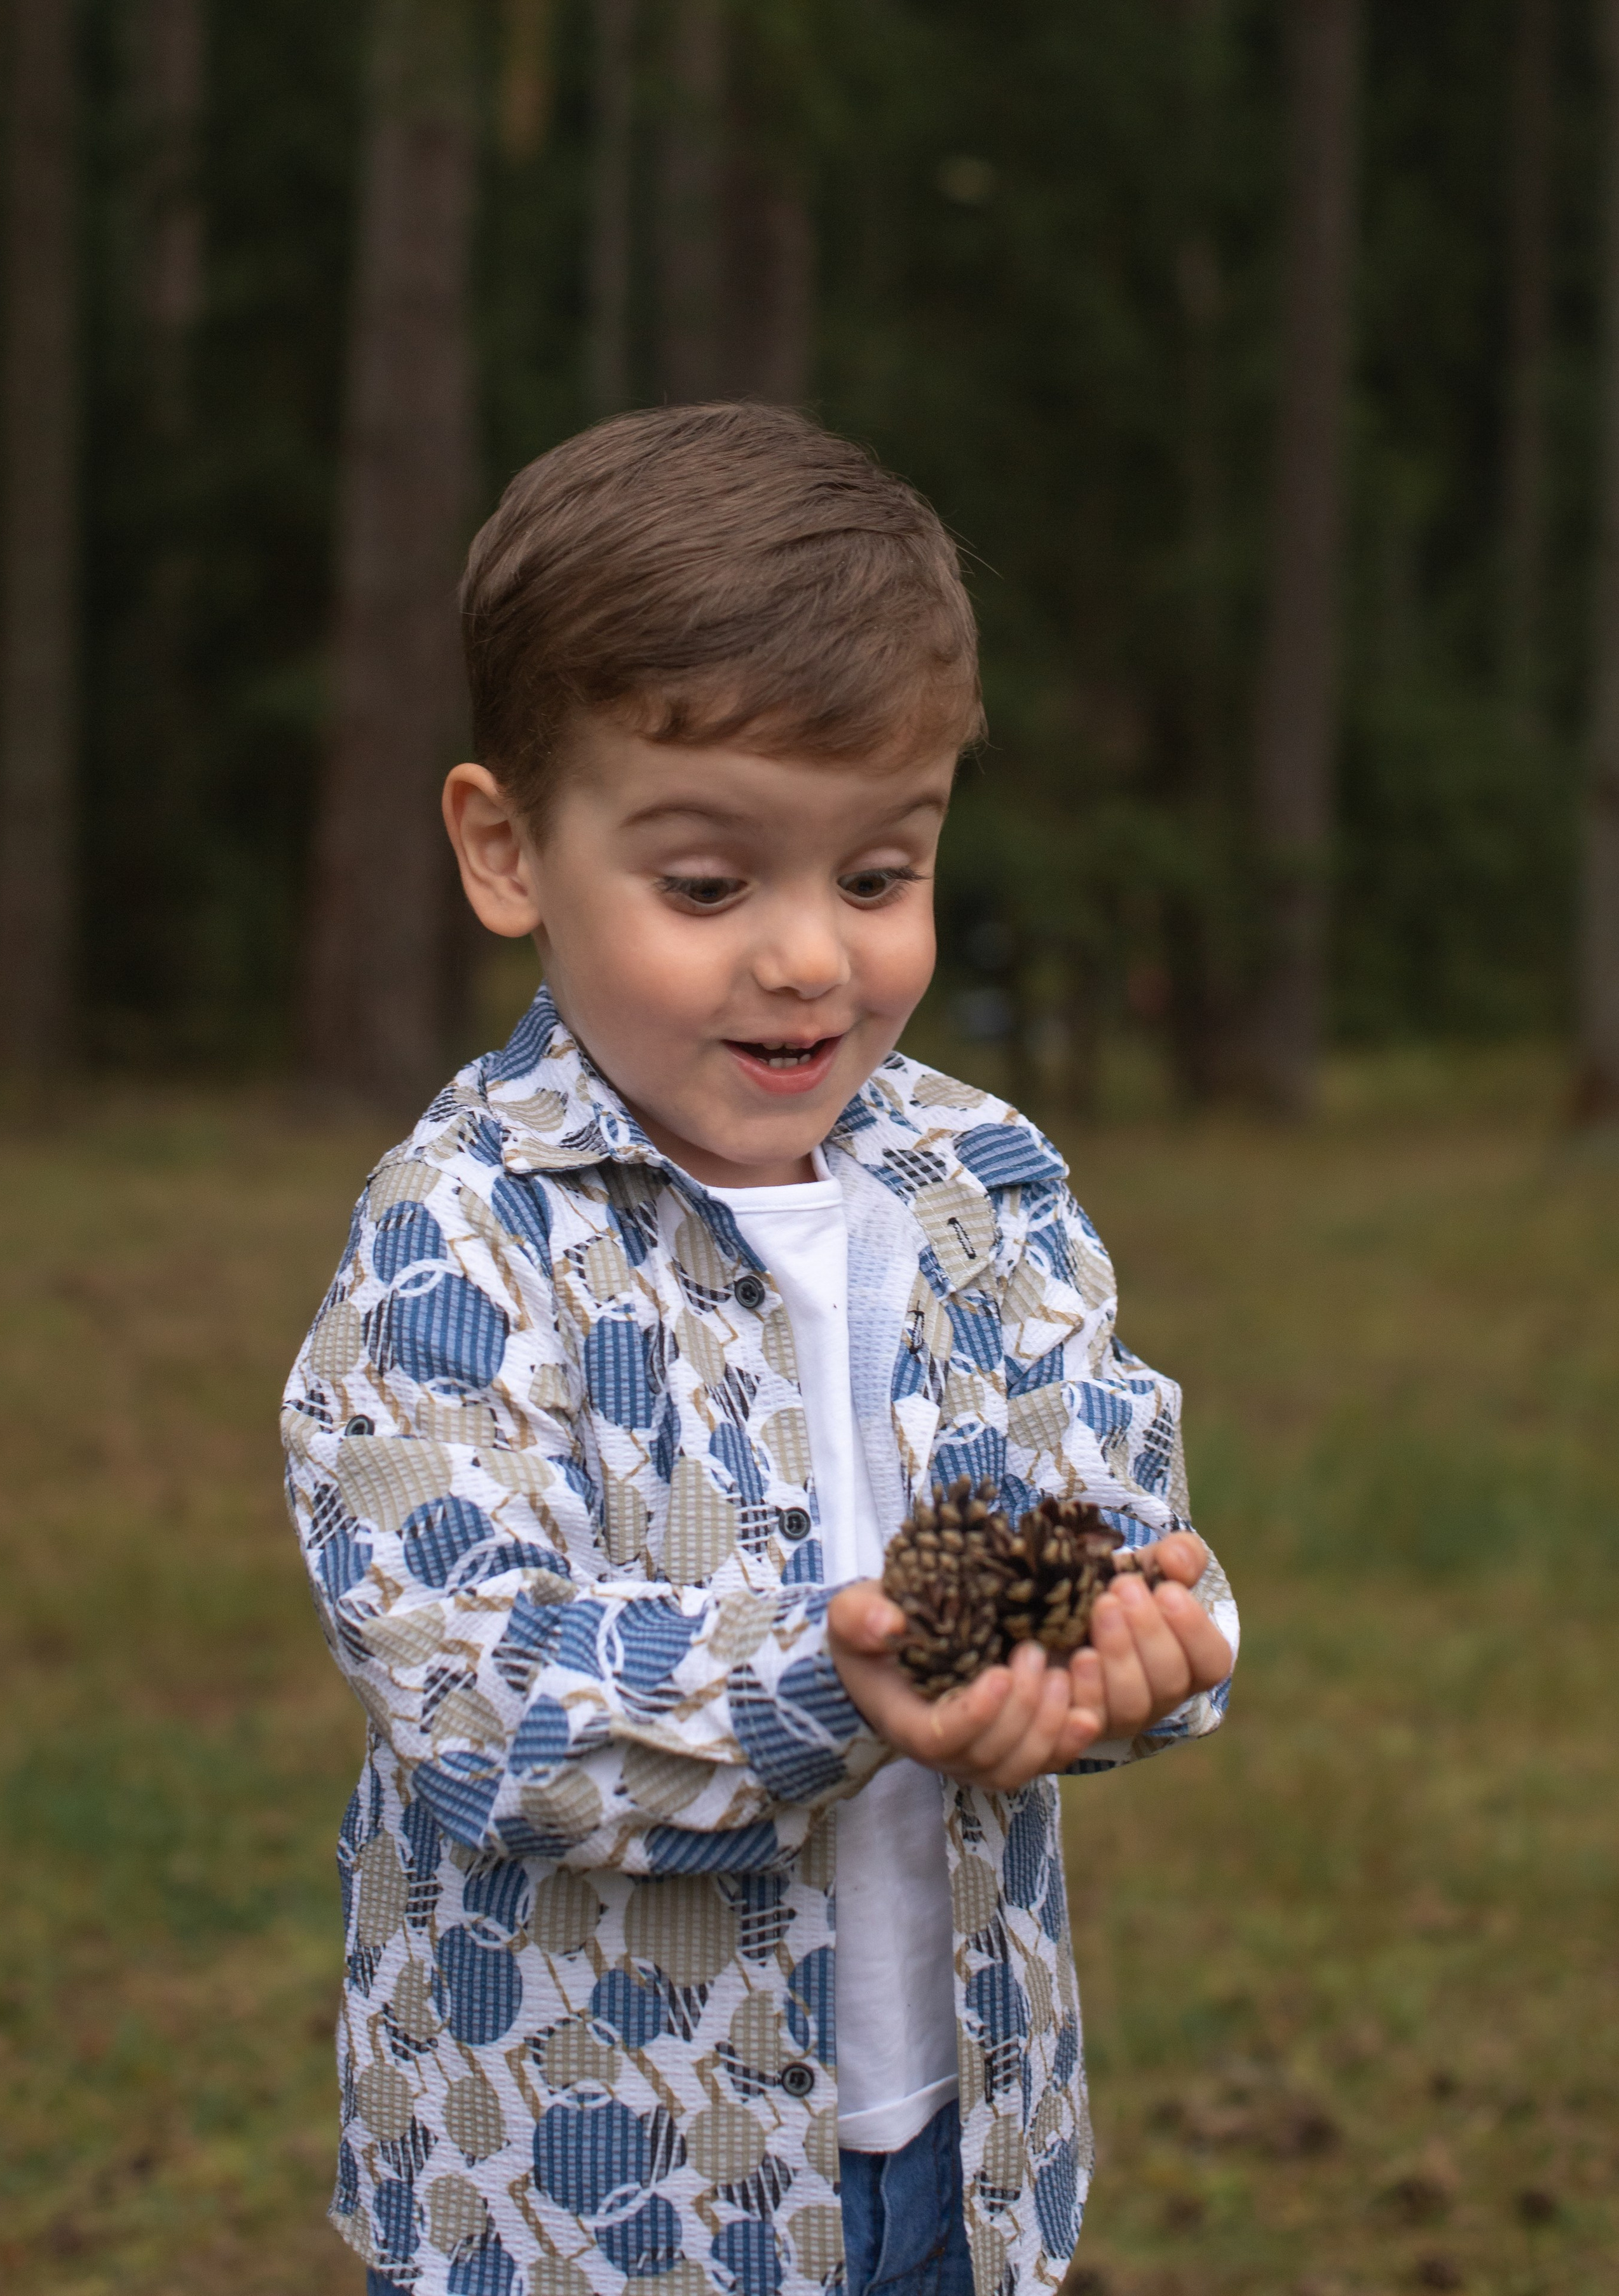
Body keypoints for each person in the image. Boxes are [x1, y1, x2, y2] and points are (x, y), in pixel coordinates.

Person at [283, 402, 1236, 2296]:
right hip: (584, 2197)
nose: (809, 958)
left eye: (877, 879)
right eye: (711, 889)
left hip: (957, 2150)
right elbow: (478, 1687)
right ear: (507, 851)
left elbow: (1110, 1517)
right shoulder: (462, 1237)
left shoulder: (984, 1183)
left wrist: (1151, 1655)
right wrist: (836, 1683)